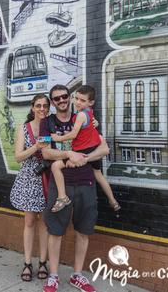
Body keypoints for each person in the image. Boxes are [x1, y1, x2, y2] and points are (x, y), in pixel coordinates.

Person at [41, 84, 110, 292]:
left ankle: (77, 275)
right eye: (56, 99)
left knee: (83, 231)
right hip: (60, 183)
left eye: (64, 97)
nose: (61, 100)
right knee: (55, 231)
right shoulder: (47, 123)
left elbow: (103, 148)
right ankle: (53, 276)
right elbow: (45, 152)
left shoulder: (85, 119)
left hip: (86, 181)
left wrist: (84, 157)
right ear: (52, 103)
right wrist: (69, 154)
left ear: (70, 98)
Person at [49, 85, 120, 212]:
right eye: (76, 98)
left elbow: (75, 135)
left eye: (82, 100)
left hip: (83, 150)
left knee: (55, 166)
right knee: (98, 174)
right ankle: (113, 200)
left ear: (91, 102)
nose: (77, 102)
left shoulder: (80, 115)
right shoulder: (88, 113)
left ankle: (62, 197)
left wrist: (56, 138)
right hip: (90, 149)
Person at [10, 94, 50, 282]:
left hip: (48, 178)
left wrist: (92, 123)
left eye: (45, 106)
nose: (42, 109)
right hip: (29, 178)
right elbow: (18, 157)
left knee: (45, 223)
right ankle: (27, 262)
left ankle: (43, 261)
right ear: (32, 107)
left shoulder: (52, 126)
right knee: (29, 222)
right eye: (38, 105)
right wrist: (36, 146)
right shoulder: (24, 128)